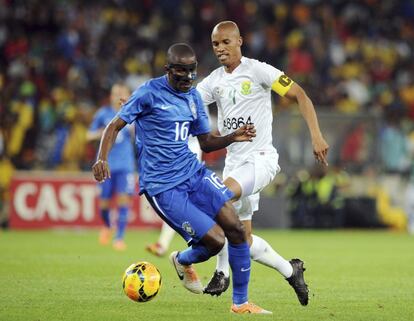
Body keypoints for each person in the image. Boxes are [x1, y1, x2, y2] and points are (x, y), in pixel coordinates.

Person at [92, 43, 272, 314]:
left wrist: (232, 137)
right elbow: (115, 125)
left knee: (235, 228)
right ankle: (182, 259)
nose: (188, 78)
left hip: (194, 173)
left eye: (192, 72)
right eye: (181, 72)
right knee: (215, 241)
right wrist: (101, 157)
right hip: (163, 186)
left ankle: (240, 303)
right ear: (168, 69)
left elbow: (207, 142)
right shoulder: (149, 93)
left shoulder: (193, 97)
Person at [196, 21, 329, 306]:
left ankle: (221, 272)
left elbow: (300, 95)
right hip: (235, 165)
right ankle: (290, 270)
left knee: (218, 197)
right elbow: (187, 102)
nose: (220, 48)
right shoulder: (214, 81)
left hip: (261, 160)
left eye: (226, 42)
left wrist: (316, 135)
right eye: (216, 44)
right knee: (241, 238)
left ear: (240, 41)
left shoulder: (259, 70)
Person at [87, 83, 135, 251]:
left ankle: (119, 237)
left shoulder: (133, 112)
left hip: (125, 165)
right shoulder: (103, 114)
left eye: (121, 93)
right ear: (111, 96)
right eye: (115, 93)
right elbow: (89, 135)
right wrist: (102, 133)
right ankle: (107, 226)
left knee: (123, 199)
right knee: (104, 204)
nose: (118, 96)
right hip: (105, 164)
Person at [145, 136, 202, 257]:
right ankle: (163, 244)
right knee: (176, 208)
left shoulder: (192, 122)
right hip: (181, 163)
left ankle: (167, 246)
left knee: (181, 209)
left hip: (187, 166)